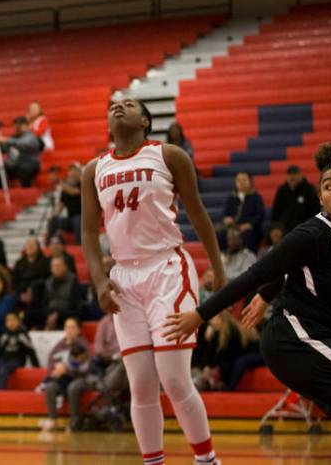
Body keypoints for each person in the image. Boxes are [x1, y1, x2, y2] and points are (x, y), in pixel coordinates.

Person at [164, 141, 331, 465]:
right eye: (328, 187)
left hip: (325, 336)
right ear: (320, 197)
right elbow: (257, 272)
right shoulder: (312, 233)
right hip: (295, 339)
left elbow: (295, 267)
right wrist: (201, 315)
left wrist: (266, 295)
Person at [81, 97, 227, 465]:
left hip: (167, 269)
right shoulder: (93, 169)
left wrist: (219, 269)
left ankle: (207, 459)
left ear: (145, 120)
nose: (117, 106)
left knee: (174, 379)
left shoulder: (169, 155)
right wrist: (99, 281)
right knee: (141, 384)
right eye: (113, 104)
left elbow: (197, 213)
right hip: (124, 278)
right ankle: (153, 461)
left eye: (128, 104)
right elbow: (86, 232)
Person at [39, 317, 91, 432]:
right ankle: (53, 420)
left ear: (78, 330)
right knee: (50, 387)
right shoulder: (59, 345)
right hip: (62, 379)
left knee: (73, 387)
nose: (69, 330)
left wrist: (67, 370)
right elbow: (50, 362)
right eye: (67, 327)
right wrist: (54, 371)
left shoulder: (83, 344)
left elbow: (86, 367)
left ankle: (74, 421)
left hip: (80, 377)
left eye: (72, 327)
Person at [0, 116, 42, 188]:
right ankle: (0, 193)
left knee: (24, 169)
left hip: (29, 165)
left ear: (27, 126)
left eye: (20, 125)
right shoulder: (13, 137)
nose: (18, 128)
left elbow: (22, 143)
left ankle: (26, 191)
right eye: (16, 126)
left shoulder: (31, 137)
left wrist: (5, 140)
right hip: (13, 166)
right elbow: (4, 149)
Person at [221, 171, 266, 252]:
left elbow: (260, 215)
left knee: (248, 235)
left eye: (244, 180)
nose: (241, 183)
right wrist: (226, 219)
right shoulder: (231, 198)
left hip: (249, 228)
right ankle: (223, 259)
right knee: (221, 233)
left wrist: (249, 224)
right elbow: (224, 213)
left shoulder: (256, 197)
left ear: (250, 182)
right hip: (233, 227)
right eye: (238, 180)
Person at [0, 311, 38, 389]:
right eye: (8, 320)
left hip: (16, 361)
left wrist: (37, 367)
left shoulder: (22, 334)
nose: (10, 323)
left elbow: (31, 351)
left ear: (19, 322)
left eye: (13, 320)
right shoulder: (4, 334)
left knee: (3, 369)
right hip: (3, 360)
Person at [270, 165, 320, 234]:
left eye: (295, 175)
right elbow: (275, 213)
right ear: (287, 177)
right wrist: (277, 227)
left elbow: (315, 210)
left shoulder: (309, 189)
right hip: (284, 229)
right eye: (290, 175)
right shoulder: (281, 191)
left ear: (300, 176)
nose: (292, 177)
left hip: (304, 227)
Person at [40, 256, 84, 330]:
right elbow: (44, 303)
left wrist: (58, 315)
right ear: (51, 269)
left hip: (67, 315)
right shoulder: (48, 282)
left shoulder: (73, 281)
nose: (57, 268)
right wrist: (49, 315)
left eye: (59, 265)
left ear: (65, 267)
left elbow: (75, 306)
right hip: (51, 315)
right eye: (54, 266)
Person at [48, 164, 81, 239]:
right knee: (53, 221)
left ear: (79, 172)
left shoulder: (82, 184)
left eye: (74, 170)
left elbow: (74, 192)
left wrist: (58, 181)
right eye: (71, 170)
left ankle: (79, 245)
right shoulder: (65, 189)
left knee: (78, 220)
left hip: (81, 218)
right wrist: (54, 215)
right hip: (70, 219)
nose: (72, 173)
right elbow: (61, 204)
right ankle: (48, 245)